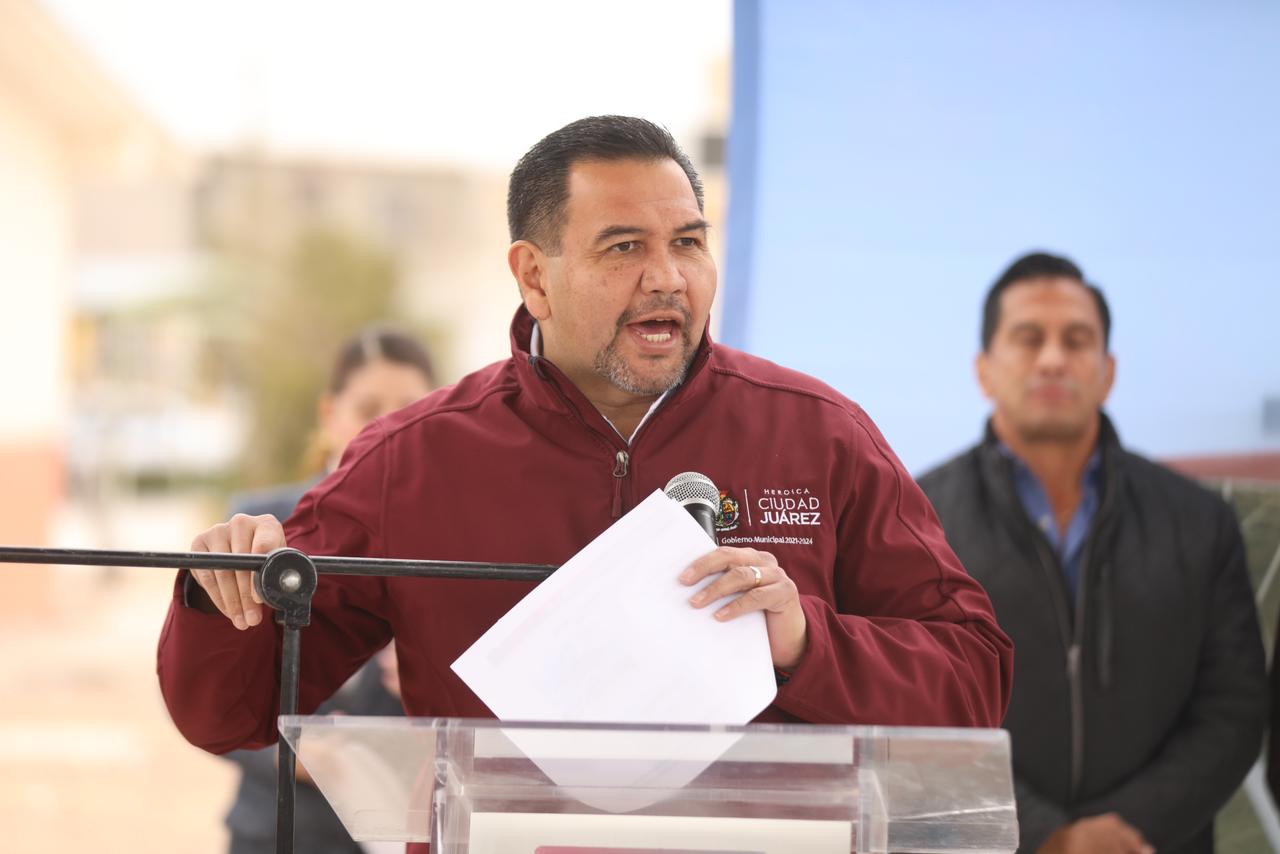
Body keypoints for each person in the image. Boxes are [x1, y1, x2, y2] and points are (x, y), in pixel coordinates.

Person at [158, 117, 1013, 770]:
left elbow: (974, 680)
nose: (668, 278)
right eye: (624, 247)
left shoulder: (819, 434)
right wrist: (218, 593)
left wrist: (804, 643)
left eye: (688, 243)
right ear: (534, 276)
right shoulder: (410, 463)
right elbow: (226, 712)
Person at [918, 252, 1266, 854]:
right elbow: (910, 708)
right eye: (1029, 338)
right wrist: (1047, 834)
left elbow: (1233, 708)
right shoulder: (917, 521)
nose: (1054, 358)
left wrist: (1126, 830)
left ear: (1108, 371)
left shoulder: (1198, 520)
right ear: (984, 370)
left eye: (1077, 340)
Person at [223, 327, 434, 854]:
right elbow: (213, 688)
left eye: (409, 409)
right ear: (329, 413)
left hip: (407, 828)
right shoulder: (259, 524)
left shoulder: (456, 535)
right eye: (368, 408)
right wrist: (293, 755)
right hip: (280, 829)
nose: (387, 425)